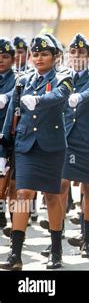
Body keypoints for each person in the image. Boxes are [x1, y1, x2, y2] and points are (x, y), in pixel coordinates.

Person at [0, 35, 73, 270]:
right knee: (22, 194)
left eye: (44, 54)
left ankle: (56, 250)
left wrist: (38, 100)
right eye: (36, 54)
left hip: (51, 147)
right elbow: (11, 115)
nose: (39, 58)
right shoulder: (22, 81)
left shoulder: (64, 77)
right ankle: (16, 253)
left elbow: (60, 96)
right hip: (25, 145)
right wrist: (3, 150)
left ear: (55, 57)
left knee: (51, 197)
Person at [61, 33, 89, 258]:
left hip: (88, 139)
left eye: (81, 52)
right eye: (73, 52)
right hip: (65, 138)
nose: (77, 56)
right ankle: (56, 238)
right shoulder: (62, 77)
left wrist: (78, 97)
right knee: (60, 186)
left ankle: (86, 239)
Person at [0, 38, 18, 230]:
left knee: (14, 185)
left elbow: (18, 93)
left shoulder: (19, 79)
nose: (1, 60)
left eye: (5, 57)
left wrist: (6, 96)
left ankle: (15, 225)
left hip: (11, 137)